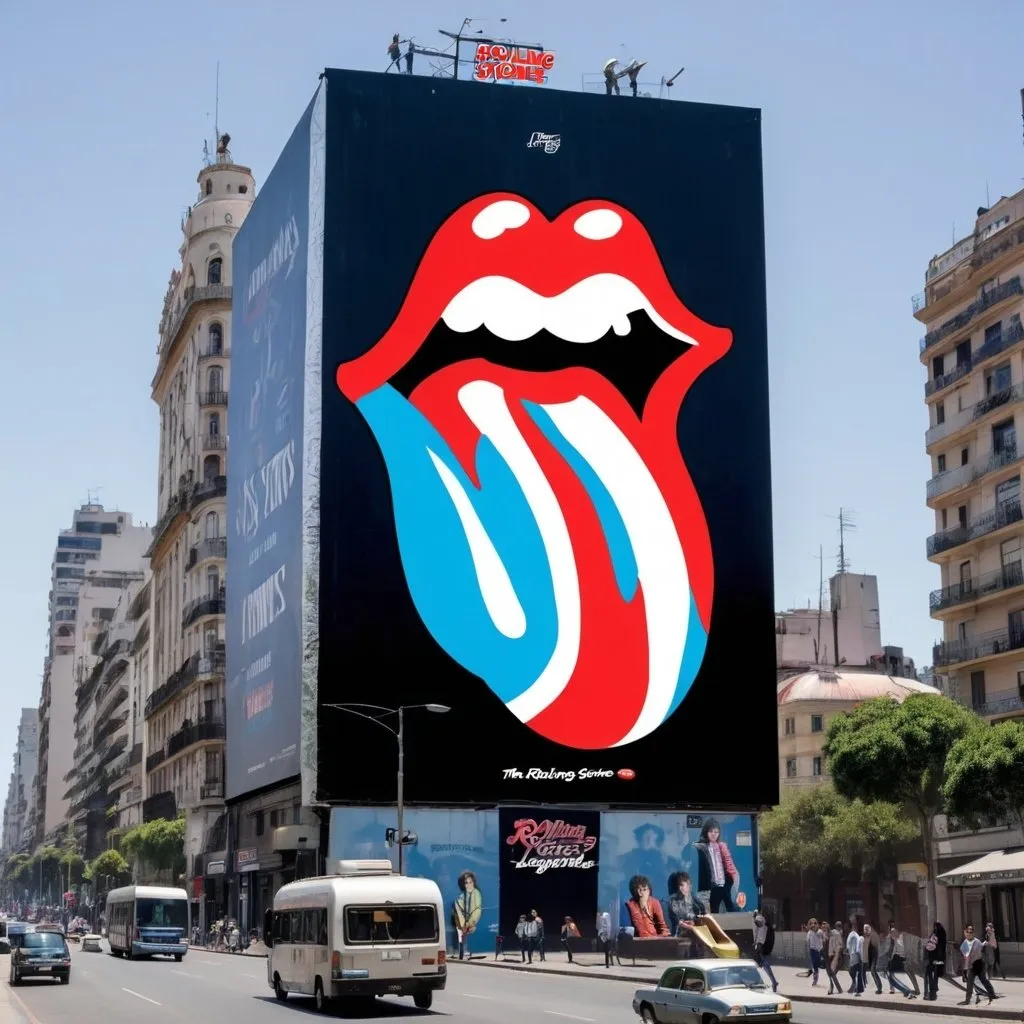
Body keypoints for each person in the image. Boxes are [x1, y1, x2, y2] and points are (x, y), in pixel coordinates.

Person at [693, 819, 739, 913]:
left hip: (724, 883)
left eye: (716, 832)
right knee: (713, 909)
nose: (714, 834)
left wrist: (731, 879)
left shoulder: (722, 846)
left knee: (730, 906)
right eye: (711, 831)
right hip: (710, 886)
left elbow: (728, 864)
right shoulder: (700, 846)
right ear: (706, 832)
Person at [959, 925, 996, 1005]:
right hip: (971, 966)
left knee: (984, 980)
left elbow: (981, 949)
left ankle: (992, 994)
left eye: (971, 932)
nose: (969, 933)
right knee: (970, 983)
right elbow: (965, 956)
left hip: (978, 964)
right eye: (967, 932)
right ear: (965, 933)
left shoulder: (977, 941)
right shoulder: (964, 944)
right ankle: (967, 1000)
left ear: (973, 933)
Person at [452, 871, 483, 960]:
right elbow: (458, 911)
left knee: (465, 936)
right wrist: (462, 925)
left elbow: (477, 910)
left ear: (473, 883)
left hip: (470, 924)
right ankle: (461, 952)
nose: (468, 885)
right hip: (461, 924)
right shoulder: (461, 897)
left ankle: (466, 952)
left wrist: (469, 924)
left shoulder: (476, 893)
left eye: (470, 882)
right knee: (461, 938)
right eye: (466, 883)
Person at [666, 872, 706, 937]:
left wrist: (694, 923)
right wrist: (689, 926)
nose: (680, 888)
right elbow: (677, 921)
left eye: (682, 885)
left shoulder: (697, 902)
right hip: (678, 935)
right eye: (679, 885)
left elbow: (702, 917)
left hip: (696, 935)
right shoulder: (673, 901)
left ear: (689, 885)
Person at [885, 924, 916, 999]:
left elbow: (901, 950)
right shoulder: (893, 939)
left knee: (893, 977)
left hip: (898, 959)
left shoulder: (899, 939)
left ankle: (907, 991)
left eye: (893, 933)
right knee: (891, 976)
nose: (892, 934)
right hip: (895, 959)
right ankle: (906, 991)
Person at [752, 910, 779, 992]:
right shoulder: (763, 926)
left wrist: (754, 918)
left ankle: (772, 982)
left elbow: (759, 923)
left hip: (761, 947)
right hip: (761, 946)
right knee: (759, 966)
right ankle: (762, 982)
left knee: (762, 965)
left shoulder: (761, 924)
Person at [923, 921, 947, 1001]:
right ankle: (933, 990)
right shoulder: (943, 934)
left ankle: (931, 992)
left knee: (929, 974)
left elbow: (929, 946)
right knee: (935, 974)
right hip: (939, 958)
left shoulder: (934, 935)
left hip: (933, 958)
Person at [825, 921, 844, 995]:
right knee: (831, 974)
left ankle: (836, 989)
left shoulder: (836, 934)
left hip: (835, 956)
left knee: (832, 974)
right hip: (833, 956)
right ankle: (836, 989)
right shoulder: (833, 934)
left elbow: (841, 945)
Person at [863, 924, 882, 994]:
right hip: (871, 956)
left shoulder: (873, 935)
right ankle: (879, 987)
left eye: (867, 928)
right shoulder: (867, 936)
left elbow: (877, 946)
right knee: (872, 971)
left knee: (873, 971)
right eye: (865, 929)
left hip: (875, 956)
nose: (866, 930)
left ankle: (879, 988)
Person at [846, 919, 864, 994]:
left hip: (856, 956)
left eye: (855, 926)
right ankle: (858, 987)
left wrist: (859, 955)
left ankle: (856, 988)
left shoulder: (857, 936)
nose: (854, 928)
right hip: (852, 956)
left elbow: (857, 947)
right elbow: (848, 945)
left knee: (854, 972)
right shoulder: (852, 935)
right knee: (853, 972)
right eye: (853, 926)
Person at [806, 917, 822, 986]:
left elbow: (818, 933)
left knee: (816, 965)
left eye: (815, 923)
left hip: (818, 951)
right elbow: (808, 942)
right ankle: (815, 979)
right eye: (811, 923)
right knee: (815, 966)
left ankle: (814, 974)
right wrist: (808, 950)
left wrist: (815, 927)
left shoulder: (819, 931)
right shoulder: (809, 932)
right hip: (812, 951)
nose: (813, 924)